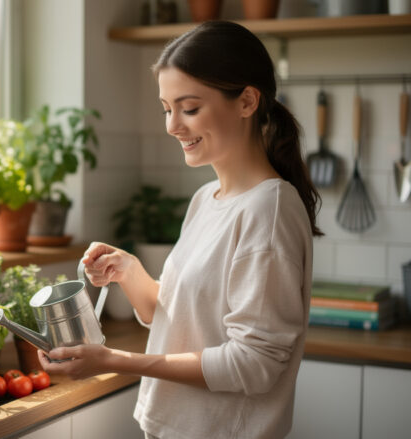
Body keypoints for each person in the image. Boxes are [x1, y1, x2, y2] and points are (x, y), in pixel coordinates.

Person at [38, 20, 321, 439]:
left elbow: (254, 364)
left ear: (246, 101)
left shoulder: (269, 208)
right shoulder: (206, 199)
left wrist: (113, 360)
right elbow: (173, 319)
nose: (172, 126)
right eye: (167, 109)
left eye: (189, 108)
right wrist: (129, 272)